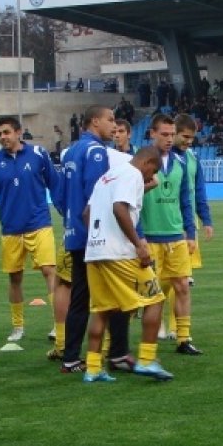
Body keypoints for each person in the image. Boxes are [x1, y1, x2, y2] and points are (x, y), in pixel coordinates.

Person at [80, 146, 173, 383]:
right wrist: (138, 245)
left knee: (102, 310)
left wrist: (96, 239)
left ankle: (92, 368)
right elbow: (119, 208)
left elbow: (86, 213)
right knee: (155, 299)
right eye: (152, 171)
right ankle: (146, 359)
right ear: (148, 162)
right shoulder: (131, 174)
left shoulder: (106, 177)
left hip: (95, 252)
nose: (150, 178)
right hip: (119, 253)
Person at [58, 105, 134, 373]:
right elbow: (98, 194)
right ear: (94, 122)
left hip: (75, 234)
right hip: (96, 236)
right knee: (118, 294)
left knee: (79, 298)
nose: (114, 126)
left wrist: (71, 221)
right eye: (110, 120)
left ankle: (70, 357)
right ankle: (117, 354)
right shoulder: (96, 151)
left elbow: (59, 194)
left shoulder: (71, 151)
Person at [0, 117, 63, 349]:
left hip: (39, 225)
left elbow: (54, 184)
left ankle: (58, 325)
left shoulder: (38, 154)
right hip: (11, 229)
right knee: (14, 277)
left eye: (6, 132)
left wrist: (65, 212)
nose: (2, 137)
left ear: (19, 133)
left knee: (49, 271)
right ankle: (18, 326)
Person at [140, 114, 201, 355]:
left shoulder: (181, 162)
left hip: (176, 235)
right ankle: (149, 342)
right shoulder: (141, 161)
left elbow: (186, 199)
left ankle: (183, 339)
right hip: (150, 236)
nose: (168, 139)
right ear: (152, 133)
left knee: (183, 286)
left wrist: (190, 232)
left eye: (170, 134)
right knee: (152, 295)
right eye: (163, 134)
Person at [165, 113, 214, 338]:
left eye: (192, 138)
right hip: (163, 225)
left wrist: (206, 220)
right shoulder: (160, 158)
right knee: (162, 280)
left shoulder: (192, 159)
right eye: (185, 137)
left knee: (182, 280)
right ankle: (156, 324)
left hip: (187, 226)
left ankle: (176, 328)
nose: (188, 142)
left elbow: (198, 192)